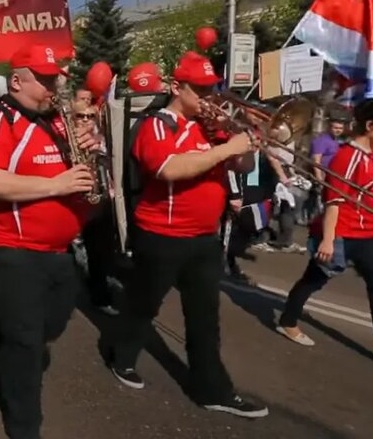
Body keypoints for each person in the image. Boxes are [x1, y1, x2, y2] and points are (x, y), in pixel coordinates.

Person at [106, 51, 268, 419]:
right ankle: (122, 356)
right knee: (144, 306)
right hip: (161, 235)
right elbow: (169, 169)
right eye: (201, 91)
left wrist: (246, 146)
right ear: (178, 88)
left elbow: (241, 164)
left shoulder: (211, 128)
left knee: (205, 319)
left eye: (213, 90)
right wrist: (227, 147)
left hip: (203, 239)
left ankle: (212, 390)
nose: (210, 99)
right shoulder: (157, 125)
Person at [0, 44, 98, 439]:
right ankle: (23, 425)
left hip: (59, 251)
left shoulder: (56, 119)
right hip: (14, 250)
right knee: (26, 343)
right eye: (42, 79)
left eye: (53, 78)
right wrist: (55, 184)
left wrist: (89, 149)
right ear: (17, 81)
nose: (52, 86)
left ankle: (5, 351)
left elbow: (74, 169)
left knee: (50, 327)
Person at [277, 100, 373, 373]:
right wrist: (329, 240)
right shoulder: (347, 157)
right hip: (340, 233)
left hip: (368, 235)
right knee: (314, 280)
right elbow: (334, 202)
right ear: (371, 126)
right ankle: (287, 321)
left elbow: (371, 197)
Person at [70, 100, 117, 315]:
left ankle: (100, 296)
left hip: (101, 202)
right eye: (81, 116)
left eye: (91, 116)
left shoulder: (104, 139)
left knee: (100, 252)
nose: (87, 120)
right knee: (75, 255)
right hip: (74, 203)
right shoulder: (67, 140)